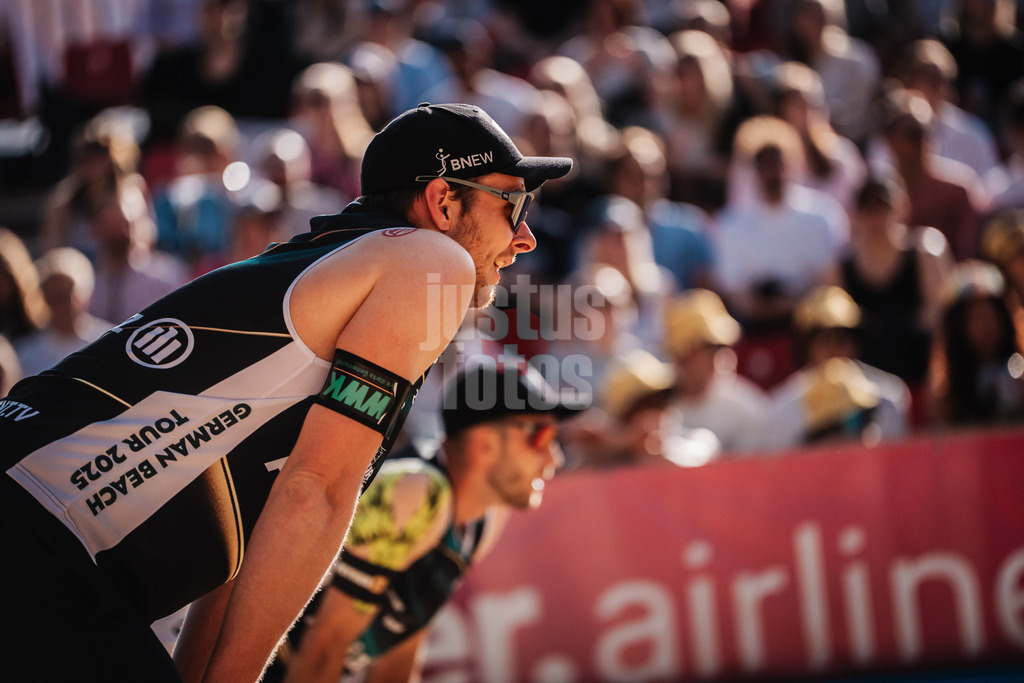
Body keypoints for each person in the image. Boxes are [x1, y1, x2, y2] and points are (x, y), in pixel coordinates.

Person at [0, 102, 572, 682]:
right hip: (39, 533)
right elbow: (315, 494)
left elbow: (248, 542)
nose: (525, 237)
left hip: (48, 541)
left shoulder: (346, 262)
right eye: (514, 203)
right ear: (443, 201)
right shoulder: (430, 263)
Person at [265, 362, 587, 682]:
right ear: (485, 441)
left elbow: (401, 648)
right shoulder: (414, 491)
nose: (554, 458)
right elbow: (324, 645)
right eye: (541, 436)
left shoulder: (484, 518)